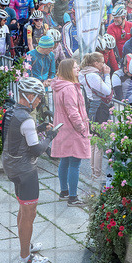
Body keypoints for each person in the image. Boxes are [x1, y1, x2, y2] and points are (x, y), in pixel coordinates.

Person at [2, 77, 56, 263]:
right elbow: (37, 150)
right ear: (30, 96)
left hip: (12, 166)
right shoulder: (26, 119)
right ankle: (25, 256)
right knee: (29, 213)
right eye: (39, 97)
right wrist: (49, 136)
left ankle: (26, 244)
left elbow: (17, 137)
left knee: (22, 208)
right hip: (25, 170)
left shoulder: (12, 112)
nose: (40, 100)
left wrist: (39, 128)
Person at [51, 59, 91, 207]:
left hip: (62, 128)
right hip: (72, 130)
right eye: (75, 67)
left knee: (65, 160)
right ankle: (73, 198)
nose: (78, 69)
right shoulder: (69, 88)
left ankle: (64, 192)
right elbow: (73, 111)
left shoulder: (59, 85)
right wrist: (81, 127)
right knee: (75, 163)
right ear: (68, 70)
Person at [79, 52, 112, 182]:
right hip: (99, 109)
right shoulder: (93, 75)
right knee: (98, 143)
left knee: (94, 141)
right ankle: (96, 173)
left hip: (92, 107)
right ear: (95, 63)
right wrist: (107, 75)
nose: (104, 64)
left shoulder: (84, 73)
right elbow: (107, 90)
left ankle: (94, 172)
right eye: (102, 62)